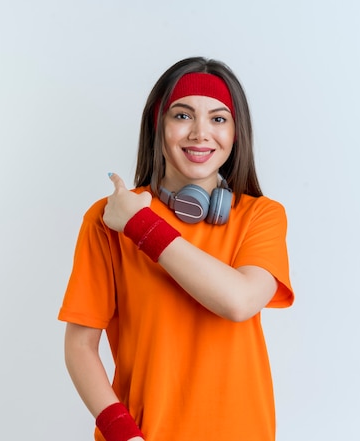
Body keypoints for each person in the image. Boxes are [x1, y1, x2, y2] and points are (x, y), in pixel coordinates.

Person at [58, 56, 294, 441]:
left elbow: (239, 301)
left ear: (236, 134)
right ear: (158, 125)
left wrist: (142, 226)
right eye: (182, 116)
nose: (201, 133)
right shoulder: (107, 218)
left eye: (219, 119)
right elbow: (80, 344)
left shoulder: (260, 216)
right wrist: (123, 434)